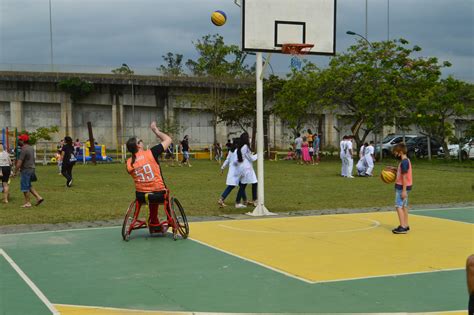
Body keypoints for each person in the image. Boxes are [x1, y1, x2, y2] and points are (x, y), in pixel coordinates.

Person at [126, 122, 172, 229]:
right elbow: (168, 140)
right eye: (140, 141)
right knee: (164, 194)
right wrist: (156, 131)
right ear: (138, 145)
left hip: (141, 196)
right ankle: (167, 221)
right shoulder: (151, 153)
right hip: (158, 193)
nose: (142, 141)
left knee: (150, 195)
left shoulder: (129, 162)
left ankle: (154, 220)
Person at [14, 134, 44, 208]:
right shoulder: (31, 148)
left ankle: (28, 203)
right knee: (28, 185)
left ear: (23, 141)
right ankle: (39, 197)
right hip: (32, 168)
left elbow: (19, 162)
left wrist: (15, 171)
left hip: (26, 169)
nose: (18, 141)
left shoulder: (24, 149)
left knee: (24, 187)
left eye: (20, 140)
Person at [391, 143, 412, 234]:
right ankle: (405, 225)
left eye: (396, 152)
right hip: (406, 186)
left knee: (398, 206)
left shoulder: (403, 162)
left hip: (401, 187)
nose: (395, 154)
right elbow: (403, 172)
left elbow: (404, 177)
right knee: (404, 206)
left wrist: (403, 191)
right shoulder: (406, 161)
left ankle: (402, 226)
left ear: (400, 152)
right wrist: (395, 169)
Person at [218, 138, 244, 208]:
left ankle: (245, 200)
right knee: (236, 186)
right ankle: (221, 199)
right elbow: (236, 161)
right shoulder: (237, 151)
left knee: (240, 185)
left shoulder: (231, 151)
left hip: (232, 171)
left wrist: (222, 167)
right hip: (236, 172)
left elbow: (227, 160)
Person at [236, 132, 258, 207]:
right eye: (248, 137)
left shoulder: (241, 146)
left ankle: (239, 202)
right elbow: (251, 158)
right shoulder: (245, 146)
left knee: (245, 185)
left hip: (243, 167)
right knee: (251, 184)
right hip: (247, 168)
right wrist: (259, 155)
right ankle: (253, 200)